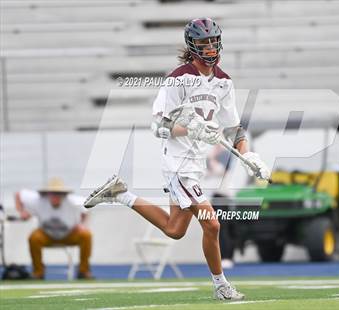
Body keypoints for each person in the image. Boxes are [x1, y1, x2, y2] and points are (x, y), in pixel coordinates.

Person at [84, 18, 269, 300]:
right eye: (203, 43)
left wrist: (248, 155)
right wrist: (190, 128)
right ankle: (221, 286)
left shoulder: (223, 82)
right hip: (177, 163)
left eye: (213, 41)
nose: (209, 48)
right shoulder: (178, 79)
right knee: (212, 223)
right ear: (192, 45)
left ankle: (120, 194)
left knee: (175, 229)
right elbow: (158, 125)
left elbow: (234, 129)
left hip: (194, 163)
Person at [15, 178, 93, 279]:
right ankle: (38, 272)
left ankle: (84, 271)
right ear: (48, 193)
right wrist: (21, 211)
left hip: (69, 234)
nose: (55, 196)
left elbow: (88, 206)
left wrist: (82, 225)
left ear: (63, 194)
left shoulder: (72, 201)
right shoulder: (38, 200)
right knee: (34, 237)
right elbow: (18, 194)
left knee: (86, 235)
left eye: (58, 193)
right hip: (46, 235)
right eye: (52, 193)